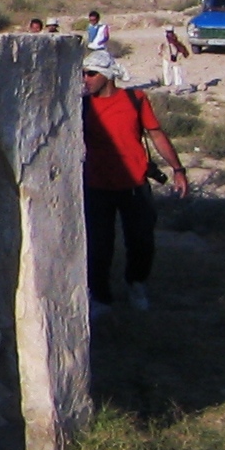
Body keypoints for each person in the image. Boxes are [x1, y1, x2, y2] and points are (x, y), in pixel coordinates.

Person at [81, 50, 187, 315]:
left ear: (107, 75)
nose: (86, 79)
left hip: (134, 183)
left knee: (141, 241)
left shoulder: (135, 99)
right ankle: (101, 297)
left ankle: (136, 283)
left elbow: (156, 135)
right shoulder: (81, 106)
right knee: (99, 245)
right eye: (83, 73)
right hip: (96, 185)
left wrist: (178, 169)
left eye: (91, 73)